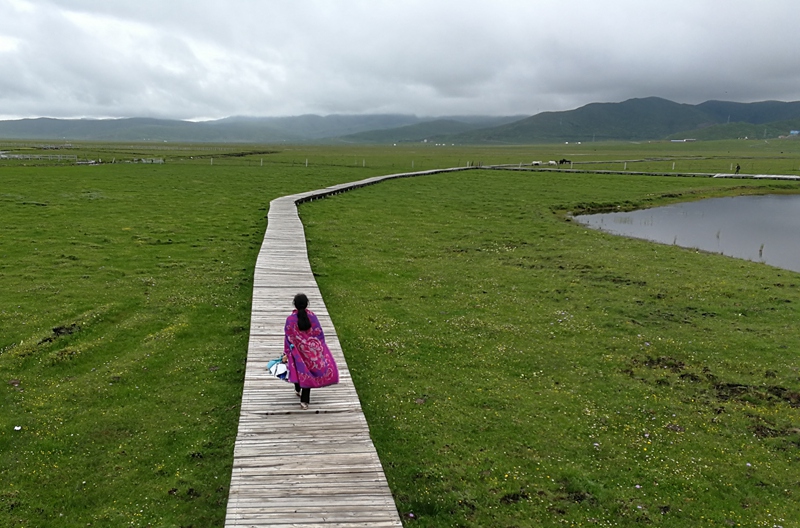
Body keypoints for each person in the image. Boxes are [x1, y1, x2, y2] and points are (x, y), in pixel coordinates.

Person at [284, 293, 339, 410]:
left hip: (297, 352)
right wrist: (320, 348)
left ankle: (297, 388)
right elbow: (319, 333)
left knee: (299, 370)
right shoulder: (312, 317)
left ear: (294, 304)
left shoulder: (290, 319)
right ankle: (304, 401)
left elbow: (288, 336)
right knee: (307, 373)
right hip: (311, 352)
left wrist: (287, 351)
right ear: (307, 303)